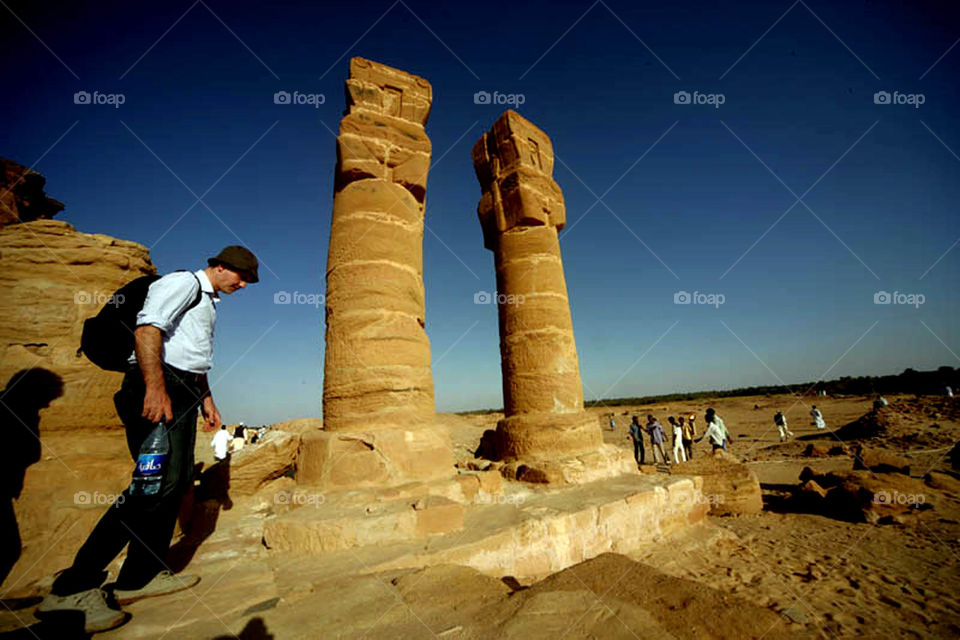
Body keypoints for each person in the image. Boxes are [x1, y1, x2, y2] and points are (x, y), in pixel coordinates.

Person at [38, 246, 258, 633]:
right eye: (240, 277)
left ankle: (139, 577)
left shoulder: (207, 299)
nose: (243, 285)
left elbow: (191, 353)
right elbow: (147, 331)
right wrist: (155, 389)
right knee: (149, 486)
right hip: (160, 387)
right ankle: (73, 586)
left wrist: (207, 400)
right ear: (219, 266)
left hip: (184, 389)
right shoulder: (181, 283)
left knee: (171, 485)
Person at [1, 369, 63, 586]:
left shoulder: (18, 409)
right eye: (47, 398)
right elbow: (29, 452)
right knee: (7, 548)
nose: (47, 405)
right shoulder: (14, 412)